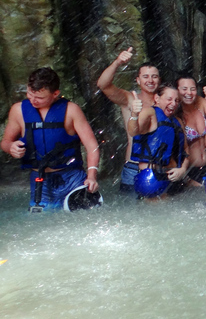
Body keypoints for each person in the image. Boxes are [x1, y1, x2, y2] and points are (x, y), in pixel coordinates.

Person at [1, 68, 101, 211]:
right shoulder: (18, 110)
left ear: (55, 94)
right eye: (30, 94)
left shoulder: (71, 110)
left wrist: (91, 176)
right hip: (39, 180)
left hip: (72, 178)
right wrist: (10, 147)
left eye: (40, 98)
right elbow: (5, 142)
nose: (33, 100)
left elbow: (92, 147)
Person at [96, 47, 160, 191]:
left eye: (154, 76)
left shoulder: (167, 102)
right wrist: (117, 62)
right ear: (138, 80)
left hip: (160, 165)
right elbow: (102, 85)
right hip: (134, 166)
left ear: (159, 80)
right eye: (145, 76)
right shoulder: (129, 99)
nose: (150, 80)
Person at [127, 83, 189, 198]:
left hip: (175, 175)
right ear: (157, 98)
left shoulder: (178, 121)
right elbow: (133, 131)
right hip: (152, 177)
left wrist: (183, 169)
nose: (173, 104)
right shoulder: (150, 113)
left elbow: (186, 149)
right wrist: (134, 114)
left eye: (176, 100)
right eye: (169, 99)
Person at [177, 76, 206, 184]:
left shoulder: (200, 102)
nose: (189, 93)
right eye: (184, 89)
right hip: (190, 172)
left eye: (192, 89)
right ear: (177, 91)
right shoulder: (175, 113)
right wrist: (186, 178)